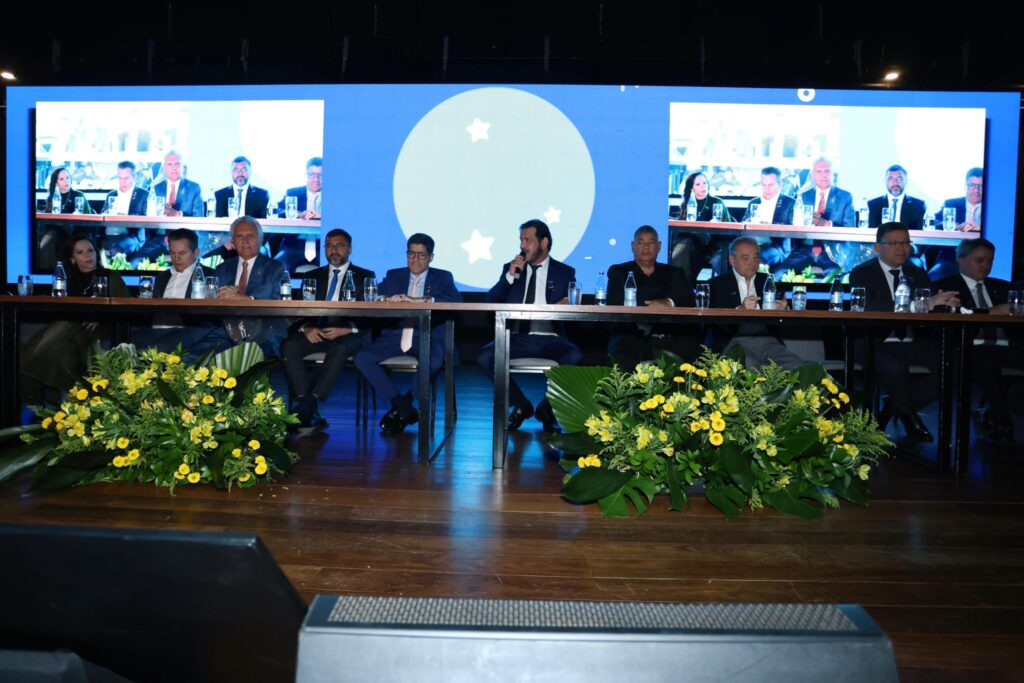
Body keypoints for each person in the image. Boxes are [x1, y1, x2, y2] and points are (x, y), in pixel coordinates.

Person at [848, 223, 960, 442]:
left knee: (953, 364)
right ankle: (910, 417)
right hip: (871, 340)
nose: (901, 248)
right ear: (878, 248)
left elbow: (930, 310)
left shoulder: (917, 274)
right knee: (894, 367)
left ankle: (896, 403)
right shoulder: (862, 273)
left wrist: (946, 304)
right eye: (894, 243)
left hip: (908, 341)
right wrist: (922, 304)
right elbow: (870, 308)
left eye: (906, 243)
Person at [477, 219, 581, 433]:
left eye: (528, 240)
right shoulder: (512, 268)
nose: (523, 246)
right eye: (521, 241)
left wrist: (566, 304)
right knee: (485, 358)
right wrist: (509, 277)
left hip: (549, 337)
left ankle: (548, 406)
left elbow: (571, 304)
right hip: (517, 337)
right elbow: (491, 300)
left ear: (544, 243)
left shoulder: (564, 272)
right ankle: (521, 404)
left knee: (575, 357)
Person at [354, 233, 461, 435]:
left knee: (434, 359)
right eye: (411, 254)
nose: (416, 259)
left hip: (427, 335)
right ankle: (402, 407)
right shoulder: (395, 275)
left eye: (421, 255)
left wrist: (417, 300)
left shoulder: (442, 276)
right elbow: (371, 295)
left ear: (431, 257)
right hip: (396, 335)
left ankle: (406, 403)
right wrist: (387, 298)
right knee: (362, 358)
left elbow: (455, 300)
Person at [281, 229, 375, 434]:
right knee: (289, 345)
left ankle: (306, 407)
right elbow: (298, 311)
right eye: (329, 245)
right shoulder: (311, 275)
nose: (334, 250)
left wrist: (346, 329)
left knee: (340, 348)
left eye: (340, 245)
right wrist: (307, 328)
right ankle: (307, 406)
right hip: (317, 332)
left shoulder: (365, 276)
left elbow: (372, 316)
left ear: (349, 249)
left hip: (349, 334)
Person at [19, 235, 128, 406]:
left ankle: (30, 382)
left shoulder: (110, 276)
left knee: (58, 331)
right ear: (72, 259)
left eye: (90, 250)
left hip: (97, 329)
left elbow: (125, 308)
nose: (88, 255)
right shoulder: (65, 280)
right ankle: (53, 400)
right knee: (62, 344)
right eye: (80, 252)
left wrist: (101, 317)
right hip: (67, 330)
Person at [935, 238, 1020, 442]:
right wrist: (989, 313)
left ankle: (994, 414)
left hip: (1006, 346)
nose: (986, 266)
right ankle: (1002, 419)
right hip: (968, 346)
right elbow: (949, 317)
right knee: (985, 360)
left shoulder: (1003, 287)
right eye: (979, 260)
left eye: (990, 261)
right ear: (960, 260)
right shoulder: (945, 286)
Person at [606, 225, 700, 370]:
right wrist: (657, 301)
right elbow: (615, 301)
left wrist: (668, 302)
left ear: (659, 246)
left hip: (670, 335)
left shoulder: (674, 272)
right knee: (623, 352)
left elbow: (688, 300)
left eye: (651, 243)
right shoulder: (619, 271)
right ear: (633, 246)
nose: (646, 247)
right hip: (632, 334)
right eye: (641, 242)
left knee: (691, 351)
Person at [707, 237, 806, 370]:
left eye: (756, 258)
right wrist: (740, 310)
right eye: (746, 258)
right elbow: (714, 324)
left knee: (798, 367)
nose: (752, 263)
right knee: (750, 366)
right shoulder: (716, 284)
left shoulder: (768, 281)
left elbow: (781, 325)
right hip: (734, 341)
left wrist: (784, 311)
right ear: (732, 260)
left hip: (767, 340)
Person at [209, 216, 289, 357]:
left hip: (262, 332)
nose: (245, 241)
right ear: (232, 241)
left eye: (250, 236)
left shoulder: (276, 268)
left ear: (261, 239)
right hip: (225, 331)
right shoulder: (222, 268)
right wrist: (220, 298)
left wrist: (245, 299)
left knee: (251, 357)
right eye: (239, 236)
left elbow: (282, 307)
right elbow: (211, 305)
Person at [132, 228, 219, 355]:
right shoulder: (163, 276)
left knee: (156, 348)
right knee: (113, 342)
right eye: (172, 253)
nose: (176, 258)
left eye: (182, 253)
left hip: (186, 331)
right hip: (154, 330)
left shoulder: (209, 275)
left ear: (196, 253)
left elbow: (211, 315)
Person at [101, 160, 147, 259]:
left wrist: (125, 216)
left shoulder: (143, 195)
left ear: (135, 177)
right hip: (109, 235)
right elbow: (102, 216)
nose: (123, 182)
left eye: (126, 178)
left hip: (131, 236)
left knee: (116, 249)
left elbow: (147, 220)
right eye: (120, 178)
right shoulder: (111, 195)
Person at [800, 157, 856, 227]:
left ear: (832, 174)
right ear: (813, 175)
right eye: (819, 171)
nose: (824, 175)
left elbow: (850, 230)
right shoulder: (804, 197)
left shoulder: (845, 197)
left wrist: (827, 224)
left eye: (827, 171)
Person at [867, 165, 927, 229]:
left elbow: (919, 232)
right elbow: (872, 230)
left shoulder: (918, 205)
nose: (895, 182)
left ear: (906, 181)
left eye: (900, 179)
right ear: (885, 181)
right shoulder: (873, 204)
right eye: (891, 179)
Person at [152, 150, 204, 218]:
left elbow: (199, 218)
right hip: (160, 227)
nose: (174, 168)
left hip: (183, 228)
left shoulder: (193, 188)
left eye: (177, 164)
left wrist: (177, 214)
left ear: (183, 167)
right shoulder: (156, 189)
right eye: (170, 164)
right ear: (164, 168)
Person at [937, 167, 984, 232]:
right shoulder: (951, 204)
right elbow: (935, 222)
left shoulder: (992, 207)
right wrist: (954, 226)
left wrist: (981, 229)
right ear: (965, 186)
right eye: (972, 185)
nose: (976, 190)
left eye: (981, 186)